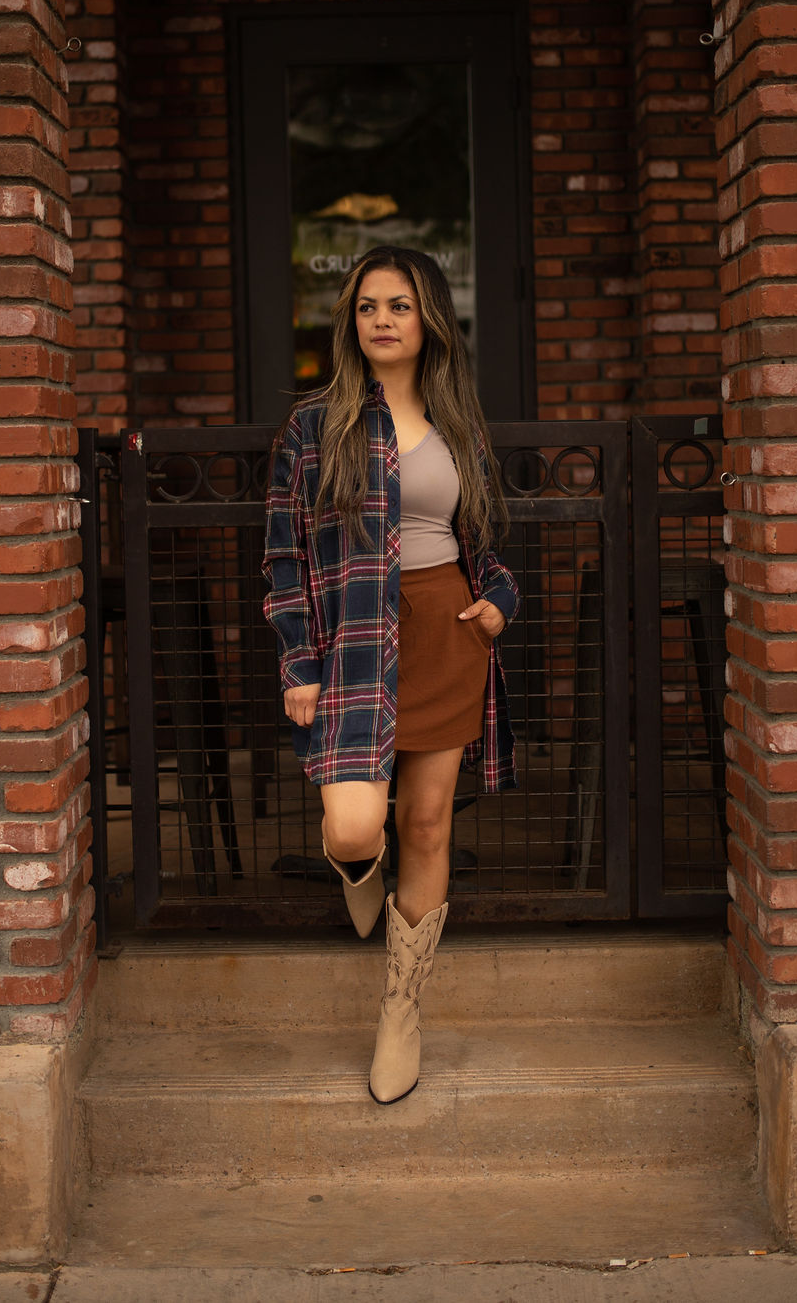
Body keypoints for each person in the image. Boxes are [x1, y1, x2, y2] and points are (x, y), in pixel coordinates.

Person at [262, 245, 518, 1105]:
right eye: (368, 305)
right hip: (355, 647)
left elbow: (482, 542)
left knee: (431, 823)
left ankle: (401, 1009)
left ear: (429, 319)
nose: (381, 319)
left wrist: (499, 603)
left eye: (399, 305)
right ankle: (359, 878)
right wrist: (300, 661)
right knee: (352, 829)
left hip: (446, 631)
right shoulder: (313, 425)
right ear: (351, 321)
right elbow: (284, 559)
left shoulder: (459, 422)